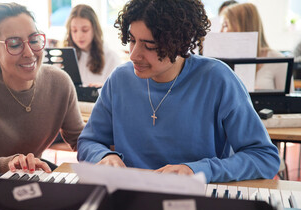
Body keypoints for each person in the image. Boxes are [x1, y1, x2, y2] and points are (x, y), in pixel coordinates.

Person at [77, 0, 280, 183]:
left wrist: (198, 170)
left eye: (149, 45)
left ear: (179, 43)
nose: (133, 55)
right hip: (129, 200)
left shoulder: (218, 79)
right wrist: (104, 156)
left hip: (197, 202)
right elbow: (89, 141)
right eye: (132, 40)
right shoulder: (119, 80)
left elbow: (264, 156)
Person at [0, 3, 84, 178]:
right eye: (15, 44)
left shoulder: (60, 82)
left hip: (26, 182)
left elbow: (82, 140)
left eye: (34, 40)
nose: (29, 53)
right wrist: (8, 165)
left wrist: (110, 151)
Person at [220, 3, 292, 91]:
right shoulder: (223, 62)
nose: (220, 32)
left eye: (225, 25)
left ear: (241, 27)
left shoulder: (278, 60)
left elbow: (290, 102)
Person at [63, 4, 121, 88]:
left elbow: (118, 91)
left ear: (94, 29)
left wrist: (105, 89)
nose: (79, 36)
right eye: (74, 30)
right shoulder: (65, 57)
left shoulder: (111, 58)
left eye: (85, 30)